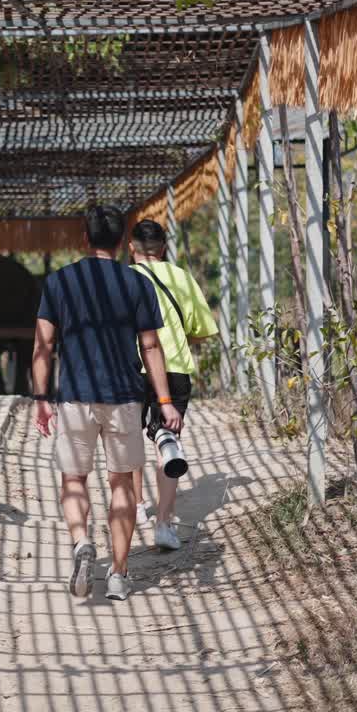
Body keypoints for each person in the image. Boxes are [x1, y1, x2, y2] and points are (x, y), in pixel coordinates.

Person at [31, 205, 182, 602]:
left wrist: (42, 397)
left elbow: (44, 344)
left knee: (74, 479)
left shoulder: (59, 282)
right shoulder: (136, 284)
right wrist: (165, 401)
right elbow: (150, 345)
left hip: (75, 396)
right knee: (121, 483)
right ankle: (118, 573)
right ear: (121, 243)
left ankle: (81, 541)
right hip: (123, 398)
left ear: (84, 239)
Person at [126, 219, 219, 551]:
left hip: (133, 366)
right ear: (163, 248)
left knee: (130, 436)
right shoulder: (181, 277)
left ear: (131, 248)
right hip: (175, 367)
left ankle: (136, 507)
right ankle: (164, 524)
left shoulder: (127, 278)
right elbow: (202, 329)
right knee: (168, 441)